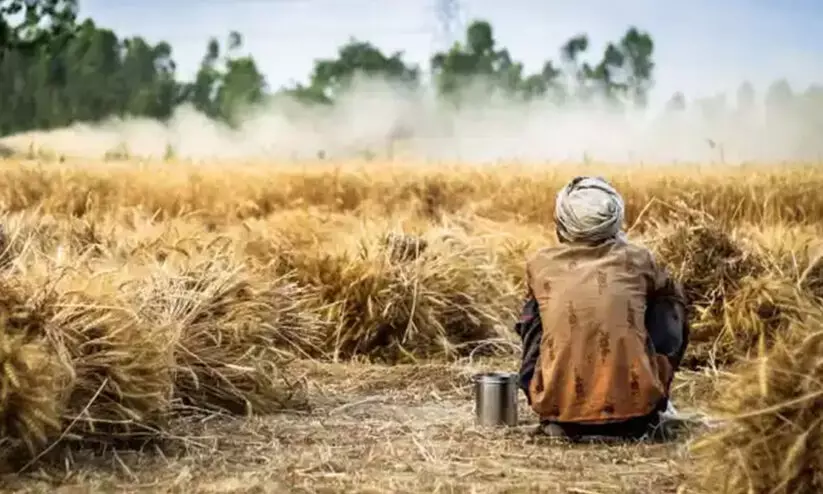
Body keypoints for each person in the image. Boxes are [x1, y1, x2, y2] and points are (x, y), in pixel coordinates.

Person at [514, 176, 689, 441]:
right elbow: (670, 315)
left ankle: (554, 393)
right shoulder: (640, 260)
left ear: (562, 223)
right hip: (636, 418)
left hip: (560, 414)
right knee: (668, 299)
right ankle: (646, 388)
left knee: (536, 311)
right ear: (616, 221)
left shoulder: (541, 264)